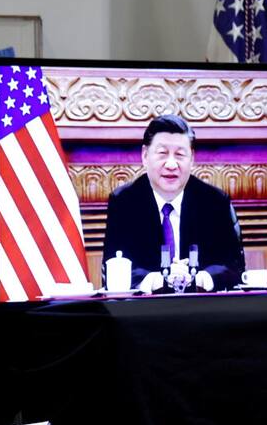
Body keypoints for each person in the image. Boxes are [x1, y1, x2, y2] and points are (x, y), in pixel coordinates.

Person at [101, 114, 245, 292]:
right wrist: (157, 280)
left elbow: (234, 266)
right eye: (162, 153)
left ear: (191, 158)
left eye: (180, 154)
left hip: (202, 305)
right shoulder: (124, 202)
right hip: (144, 306)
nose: (171, 164)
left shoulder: (214, 201)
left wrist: (200, 278)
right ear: (145, 155)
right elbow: (113, 266)